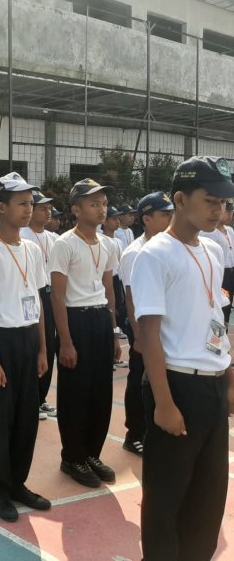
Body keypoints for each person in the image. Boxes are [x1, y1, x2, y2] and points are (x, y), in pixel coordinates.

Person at [132, 156, 234, 561]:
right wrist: (164, 403)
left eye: (224, 204)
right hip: (176, 384)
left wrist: (227, 379)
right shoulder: (155, 255)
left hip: (211, 386)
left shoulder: (212, 249)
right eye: (210, 201)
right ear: (179, 198)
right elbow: (149, 334)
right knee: (166, 498)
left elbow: (214, 319)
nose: (219, 211)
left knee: (209, 497)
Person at [0, 173, 51, 522]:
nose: (28, 209)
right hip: (0, 343)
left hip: (27, 340)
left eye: (30, 203)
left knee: (26, 418)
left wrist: (41, 349)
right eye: (21, 203)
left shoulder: (33, 250)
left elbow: (36, 300)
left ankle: (18, 482)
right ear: (0, 208)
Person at [50, 178, 122, 488]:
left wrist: (114, 331)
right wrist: (65, 340)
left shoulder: (109, 244)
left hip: (100, 323)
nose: (101, 209)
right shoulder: (64, 243)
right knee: (75, 394)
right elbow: (57, 296)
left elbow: (109, 288)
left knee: (100, 392)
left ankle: (92, 452)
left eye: (104, 203)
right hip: (75, 322)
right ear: (76, 209)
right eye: (94, 204)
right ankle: (72, 457)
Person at [118, 192, 174, 456]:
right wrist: (139, 336)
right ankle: (134, 432)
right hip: (142, 325)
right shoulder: (134, 252)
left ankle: (155, 427)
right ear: (147, 219)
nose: (170, 219)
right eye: (164, 214)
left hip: (164, 323)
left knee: (159, 377)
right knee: (140, 377)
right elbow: (130, 297)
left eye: (171, 213)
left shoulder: (169, 247)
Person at [20, 190, 58, 420]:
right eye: (43, 207)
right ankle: (30, 397)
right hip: (30, 294)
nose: (48, 211)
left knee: (49, 345)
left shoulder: (53, 238)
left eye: (49, 208)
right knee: (32, 344)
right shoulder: (23, 236)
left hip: (49, 294)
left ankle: (41, 397)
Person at [103, 206, 129, 367]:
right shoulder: (101, 240)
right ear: (105, 222)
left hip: (117, 280)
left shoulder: (118, 241)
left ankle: (114, 351)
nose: (117, 221)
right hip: (106, 280)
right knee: (109, 316)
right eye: (113, 218)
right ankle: (110, 355)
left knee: (118, 314)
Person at [200, 200, 234, 327]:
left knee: (228, 304)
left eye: (231, 212)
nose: (230, 215)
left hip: (231, 271)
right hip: (220, 273)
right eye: (228, 212)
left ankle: (223, 334)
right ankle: (216, 337)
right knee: (220, 306)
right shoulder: (209, 232)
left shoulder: (229, 230)